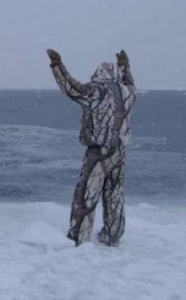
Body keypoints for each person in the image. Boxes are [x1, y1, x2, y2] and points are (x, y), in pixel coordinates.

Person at [47, 49, 137, 247]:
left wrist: (57, 65)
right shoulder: (128, 92)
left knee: (86, 194)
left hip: (99, 152)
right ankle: (113, 235)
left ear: (98, 75)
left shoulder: (95, 91)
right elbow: (130, 82)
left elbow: (70, 87)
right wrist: (125, 67)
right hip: (120, 152)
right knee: (115, 194)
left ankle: (79, 236)